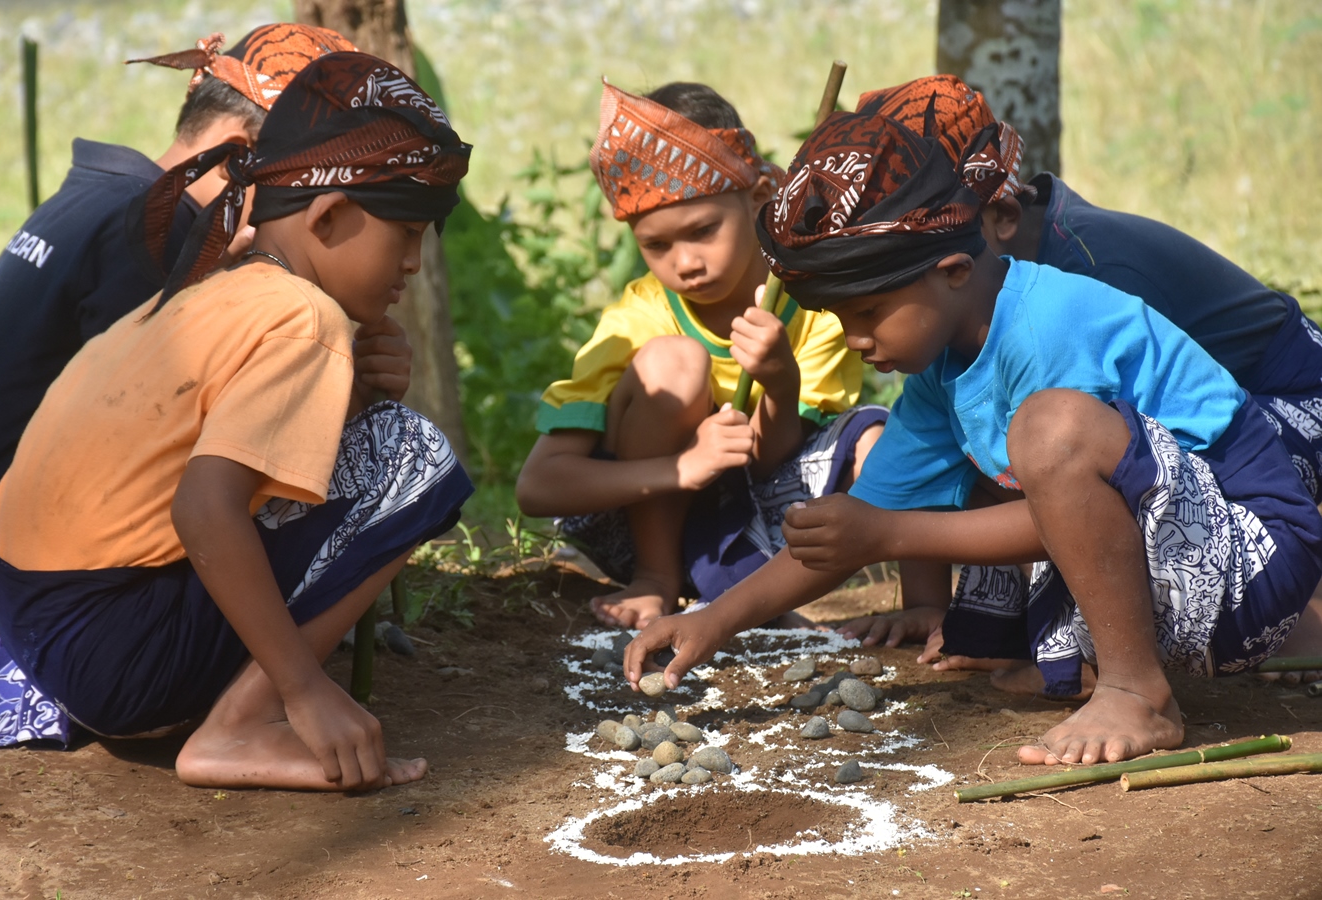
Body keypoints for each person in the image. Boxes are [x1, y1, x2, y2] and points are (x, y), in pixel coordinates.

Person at [622, 99, 1322, 766]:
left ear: (953, 271)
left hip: (1251, 557)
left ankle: (1137, 692)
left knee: (1047, 430)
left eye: (867, 313)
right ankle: (1104, 658)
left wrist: (888, 536)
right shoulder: (942, 366)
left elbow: (1027, 512)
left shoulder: (1048, 326)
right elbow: (864, 518)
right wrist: (714, 621)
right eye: (840, 320)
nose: (855, 339)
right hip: (1176, 556)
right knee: (996, 461)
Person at [0, 52, 474, 792]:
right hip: (115, 661)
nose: (414, 263)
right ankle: (243, 725)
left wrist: (355, 396)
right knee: (411, 454)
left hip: (31, 622)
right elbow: (204, 508)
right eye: (406, 234)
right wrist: (305, 688)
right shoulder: (303, 317)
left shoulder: (209, 288)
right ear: (329, 216)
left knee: (363, 438)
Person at [829, 76, 1322, 686]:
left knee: (1055, 454)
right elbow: (925, 456)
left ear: (999, 217)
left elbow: (1130, 467)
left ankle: (1288, 622)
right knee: (996, 448)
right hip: (1158, 451)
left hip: (1280, 412)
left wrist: (890, 535)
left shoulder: (1080, 284)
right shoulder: (970, 308)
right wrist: (921, 599)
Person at [516, 80, 885, 629]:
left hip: (780, 527)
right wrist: (683, 467)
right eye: (656, 245)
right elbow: (538, 486)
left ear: (761, 195)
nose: (686, 263)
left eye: (703, 230)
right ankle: (657, 576)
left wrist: (779, 383)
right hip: (644, 519)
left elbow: (769, 461)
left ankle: (898, 603)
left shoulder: (815, 303)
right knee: (675, 365)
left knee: (877, 440)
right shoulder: (639, 319)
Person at [0, 24, 356, 521]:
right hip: (6, 523)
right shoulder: (151, 237)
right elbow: (163, 434)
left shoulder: (109, 197)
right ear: (237, 155)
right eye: (302, 185)